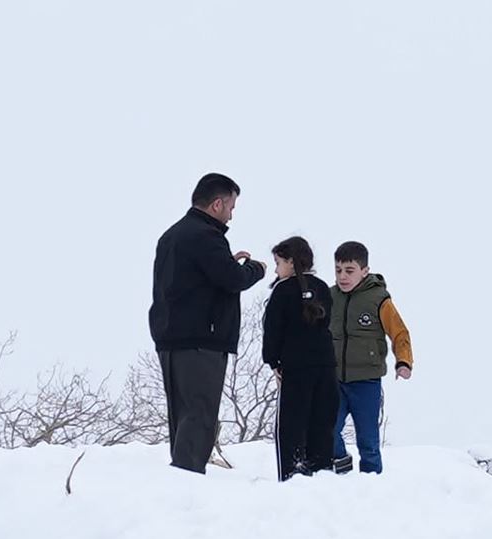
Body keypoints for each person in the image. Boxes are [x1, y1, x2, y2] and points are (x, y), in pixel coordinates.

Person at [148, 173, 267, 472]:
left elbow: (199, 278)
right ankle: (187, 480)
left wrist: (226, 261)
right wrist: (256, 268)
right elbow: (233, 279)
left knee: (182, 416)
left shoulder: (172, 235)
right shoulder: (206, 236)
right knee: (199, 416)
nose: (231, 215)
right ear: (217, 204)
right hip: (201, 340)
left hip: (170, 337)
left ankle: (181, 475)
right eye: (231, 207)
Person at [328, 240, 414, 474]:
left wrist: (404, 361)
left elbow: (399, 333)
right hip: (334, 379)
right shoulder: (330, 296)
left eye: (349, 271)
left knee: (368, 441)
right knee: (327, 428)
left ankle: (372, 481)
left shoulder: (379, 299)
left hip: (366, 381)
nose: (342, 276)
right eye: (338, 270)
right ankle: (341, 469)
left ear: (364, 271)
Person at [261, 236, 337, 481]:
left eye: (278, 263)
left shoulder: (282, 290)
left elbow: (273, 329)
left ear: (291, 262)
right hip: (325, 364)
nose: (276, 270)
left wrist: (273, 361)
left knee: (292, 424)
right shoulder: (323, 288)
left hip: (295, 366)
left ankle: (292, 474)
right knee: (321, 422)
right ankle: (322, 471)